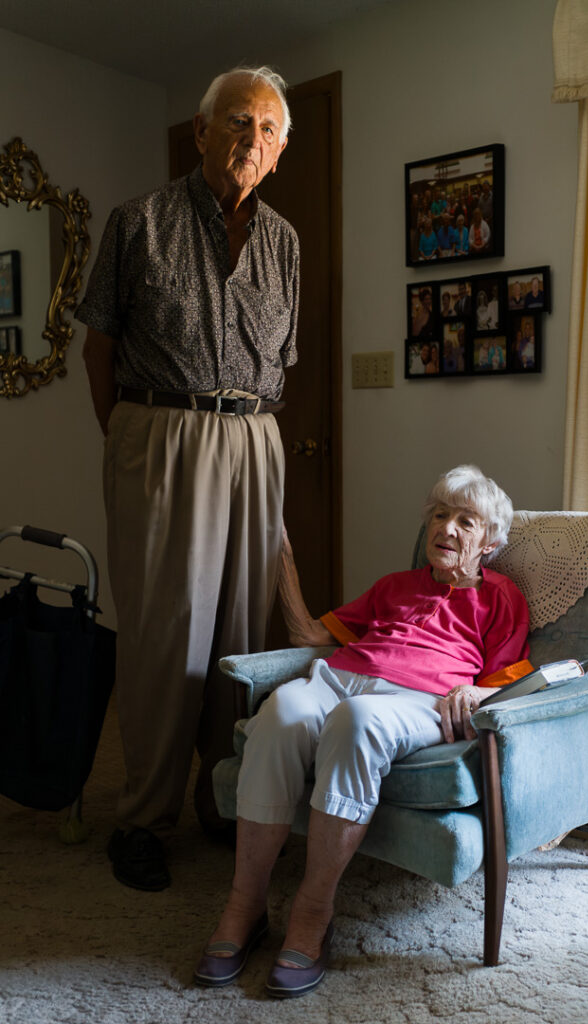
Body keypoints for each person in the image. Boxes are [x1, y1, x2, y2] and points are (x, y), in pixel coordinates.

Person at [76, 65, 298, 892]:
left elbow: (284, 366)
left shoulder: (286, 244)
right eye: (239, 121)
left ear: (279, 154)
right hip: (160, 430)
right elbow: (98, 350)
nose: (253, 139)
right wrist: (136, 439)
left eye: (269, 130)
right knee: (167, 634)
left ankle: (224, 797)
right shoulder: (139, 221)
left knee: (243, 633)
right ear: (201, 131)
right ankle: (142, 816)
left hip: (254, 437)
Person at [193, 465, 530, 997]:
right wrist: (282, 553)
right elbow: (309, 633)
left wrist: (481, 693)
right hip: (340, 677)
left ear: (489, 542)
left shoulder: (501, 597)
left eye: (466, 521)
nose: (447, 527)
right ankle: (245, 904)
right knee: (281, 712)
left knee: (358, 721)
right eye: (440, 515)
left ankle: (312, 913)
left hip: (416, 701)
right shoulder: (393, 586)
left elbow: (508, 676)